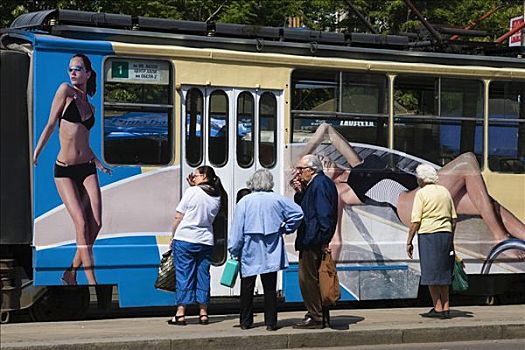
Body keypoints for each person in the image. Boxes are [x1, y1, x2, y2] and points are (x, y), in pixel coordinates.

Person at [299, 123, 525, 260]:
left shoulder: (357, 165)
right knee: (467, 162)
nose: (322, 160)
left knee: (489, 204)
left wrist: (304, 156)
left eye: (320, 156)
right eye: (316, 165)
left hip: (421, 192)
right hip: (408, 203)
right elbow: (336, 238)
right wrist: (329, 274)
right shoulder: (339, 191)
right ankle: (499, 238)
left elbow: (326, 130)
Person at [33, 54, 111, 285]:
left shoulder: (91, 106)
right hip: (65, 170)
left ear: (88, 73)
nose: (73, 72)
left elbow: (83, 143)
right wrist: (36, 152)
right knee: (81, 223)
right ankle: (92, 283)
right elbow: (50, 124)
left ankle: (71, 272)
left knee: (96, 223)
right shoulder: (65, 91)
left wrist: (98, 163)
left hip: (87, 166)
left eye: (78, 69)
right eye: (70, 69)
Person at [229, 170, 303, 331]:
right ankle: (271, 322)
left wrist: (234, 249)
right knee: (270, 287)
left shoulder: (245, 201)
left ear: (252, 183)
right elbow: (298, 213)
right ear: (270, 183)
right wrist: (285, 228)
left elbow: (237, 229)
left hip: (250, 247)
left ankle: (246, 321)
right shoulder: (278, 199)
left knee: (247, 286)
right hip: (271, 247)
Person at [168, 166, 226, 326]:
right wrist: (193, 187)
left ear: (204, 176)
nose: (193, 178)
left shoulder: (191, 192)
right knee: (203, 275)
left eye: (195, 175)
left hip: (185, 238)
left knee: (184, 275)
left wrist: (172, 235)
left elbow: (178, 216)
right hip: (205, 241)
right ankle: (203, 313)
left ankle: (180, 314)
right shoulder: (217, 196)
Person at [291, 155, 338, 329]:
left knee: (308, 280)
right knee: (317, 279)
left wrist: (324, 239)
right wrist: (300, 192)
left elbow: (323, 215)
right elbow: (308, 207)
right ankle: (321, 316)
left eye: (301, 169)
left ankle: (315, 317)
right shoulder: (318, 184)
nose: (298, 173)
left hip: (313, 239)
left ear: (311, 170)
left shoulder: (319, 185)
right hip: (314, 237)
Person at [406, 164, 457, 319]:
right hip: (445, 234)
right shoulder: (445, 192)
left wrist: (409, 241)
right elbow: (454, 219)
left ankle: (438, 307)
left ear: (422, 178)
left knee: (431, 273)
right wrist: (451, 238)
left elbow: (415, 221)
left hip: (429, 235)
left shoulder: (421, 194)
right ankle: (446, 307)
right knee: (443, 272)